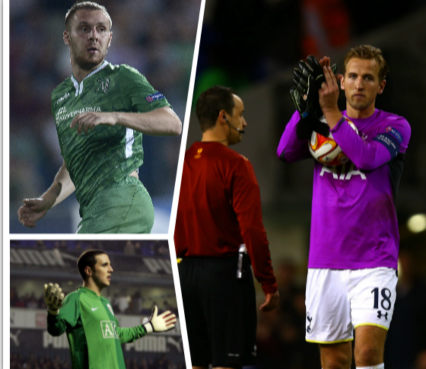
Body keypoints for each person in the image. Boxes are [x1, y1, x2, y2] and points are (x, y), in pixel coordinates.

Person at [277, 45, 411, 369]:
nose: (359, 83)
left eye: (368, 77)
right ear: (341, 80)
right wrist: (307, 112)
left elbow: (365, 158)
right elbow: (285, 151)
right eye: (352, 76)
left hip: (374, 260)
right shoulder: (321, 122)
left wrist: (332, 112)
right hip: (325, 260)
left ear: (380, 86)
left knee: (366, 354)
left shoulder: (394, 127)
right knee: (334, 361)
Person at [17, 1, 182, 233]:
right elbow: (76, 164)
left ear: (109, 38)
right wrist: (48, 200)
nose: (94, 36)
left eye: (101, 29)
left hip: (125, 202)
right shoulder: (61, 97)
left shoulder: (124, 78)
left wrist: (115, 116)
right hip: (92, 211)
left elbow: (173, 123)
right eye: (84, 28)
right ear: (67, 37)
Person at [174, 86, 279, 369]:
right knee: (226, 364)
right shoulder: (237, 165)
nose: (244, 123)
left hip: (184, 275)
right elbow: (253, 231)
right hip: (225, 274)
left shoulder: (181, 164)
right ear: (224, 117)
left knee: (195, 363)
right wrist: (267, 282)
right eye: (240, 115)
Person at [45, 250, 176, 369]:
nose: (111, 269)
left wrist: (149, 326)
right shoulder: (76, 298)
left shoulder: (105, 302)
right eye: (105, 265)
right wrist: (52, 311)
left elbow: (118, 335)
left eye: (110, 265)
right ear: (89, 271)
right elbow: (56, 329)